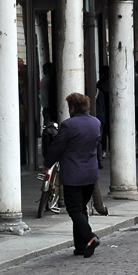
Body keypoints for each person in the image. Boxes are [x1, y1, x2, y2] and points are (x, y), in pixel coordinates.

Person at [43, 92, 102, 258]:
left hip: (73, 174)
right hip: (90, 173)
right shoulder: (95, 123)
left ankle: (90, 237)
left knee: (74, 209)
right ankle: (81, 246)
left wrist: (47, 164)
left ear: (73, 108)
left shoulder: (69, 125)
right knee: (81, 208)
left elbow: (58, 146)